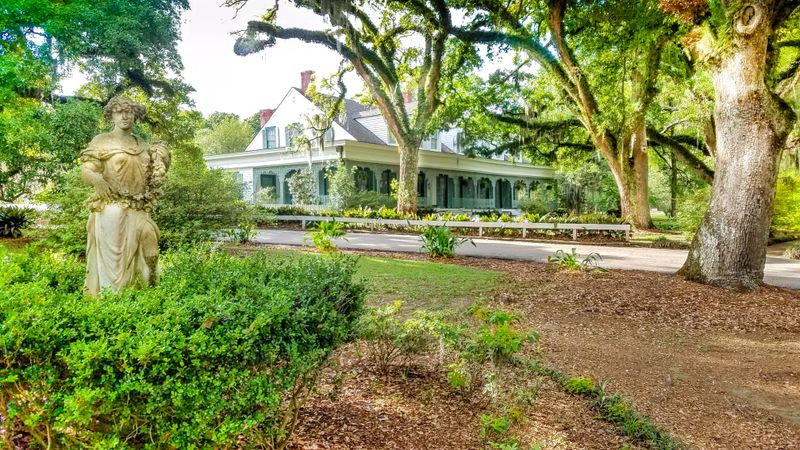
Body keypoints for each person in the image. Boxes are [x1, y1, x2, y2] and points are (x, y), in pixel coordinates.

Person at [81, 97, 170, 296]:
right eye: (120, 112)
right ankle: (116, 302)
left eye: (129, 112)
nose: (125, 116)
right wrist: (97, 180)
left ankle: (150, 295)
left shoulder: (141, 144)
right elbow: (86, 170)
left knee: (151, 249)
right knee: (117, 267)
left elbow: (155, 175)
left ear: (135, 116)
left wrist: (163, 156)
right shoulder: (101, 141)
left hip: (139, 209)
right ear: (111, 115)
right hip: (112, 210)